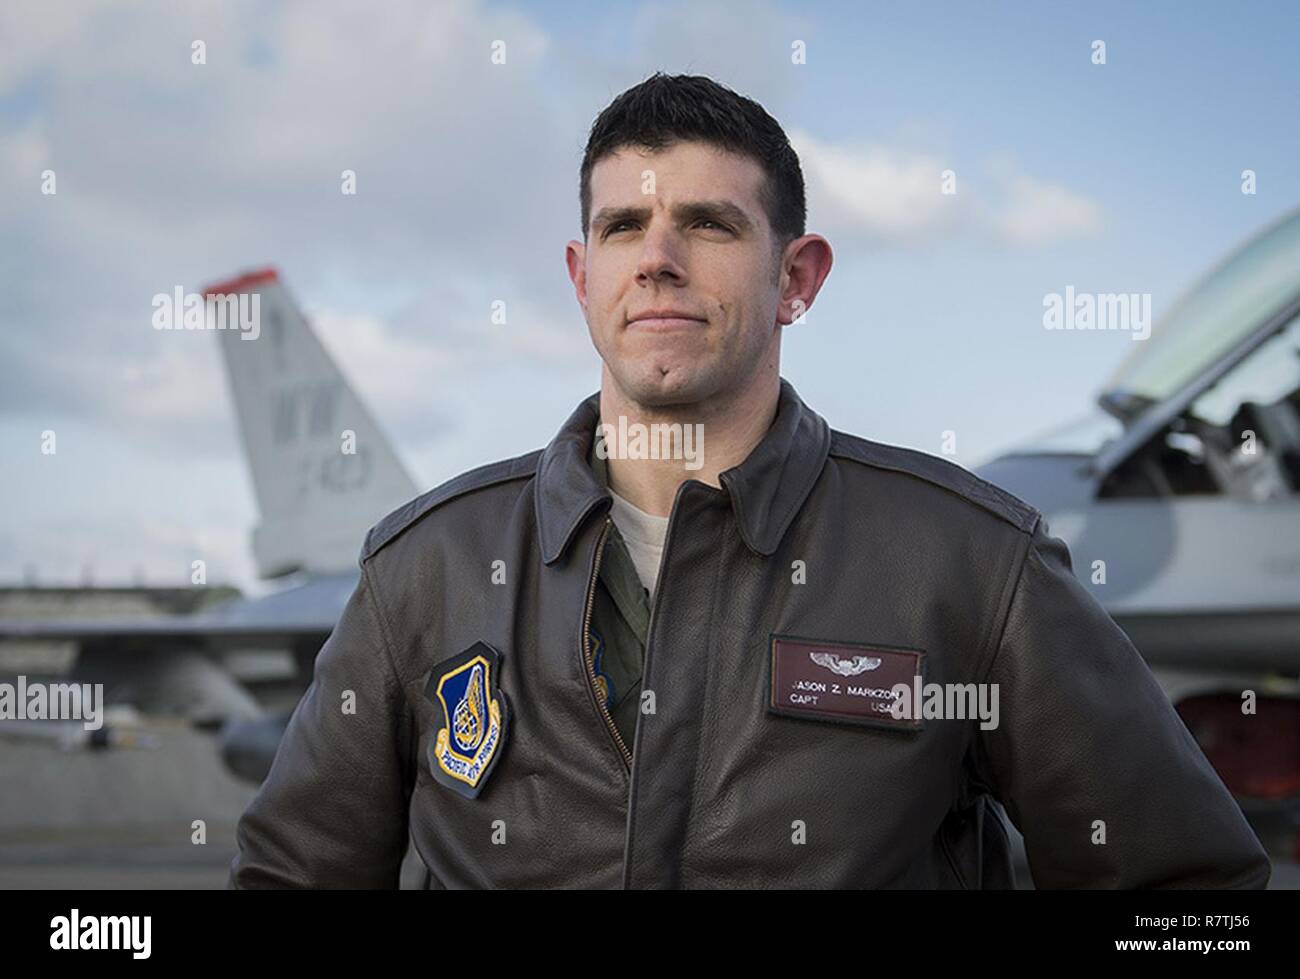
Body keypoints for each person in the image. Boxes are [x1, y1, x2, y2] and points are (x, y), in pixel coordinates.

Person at [229, 72, 1270, 889]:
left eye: (710, 224)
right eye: (622, 228)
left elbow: (1186, 888)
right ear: (579, 275)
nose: (658, 258)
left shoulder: (968, 563)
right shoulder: (423, 569)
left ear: (796, 277)